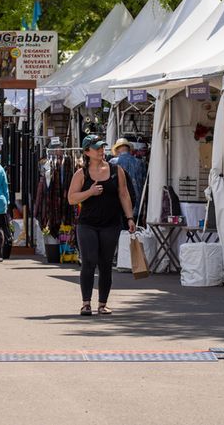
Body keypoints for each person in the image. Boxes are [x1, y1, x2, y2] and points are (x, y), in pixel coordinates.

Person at [67, 134, 136, 316]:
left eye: (102, 147)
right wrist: (89, 192)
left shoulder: (116, 170)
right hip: (87, 224)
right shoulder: (81, 173)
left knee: (105, 264)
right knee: (89, 262)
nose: (100, 151)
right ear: (87, 152)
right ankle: (86, 303)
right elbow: (71, 198)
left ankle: (103, 304)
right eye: (96, 148)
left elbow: (124, 194)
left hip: (110, 224)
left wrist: (130, 218)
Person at [109, 138, 145, 219]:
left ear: (117, 150)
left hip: (118, 203)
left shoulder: (113, 162)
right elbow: (143, 182)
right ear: (129, 149)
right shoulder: (140, 162)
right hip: (137, 203)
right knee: (135, 229)